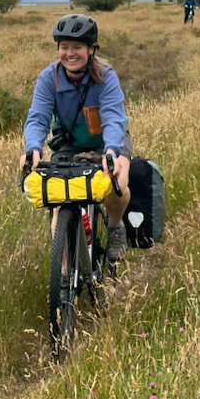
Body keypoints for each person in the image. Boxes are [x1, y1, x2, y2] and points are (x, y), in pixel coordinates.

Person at [21, 14, 132, 261]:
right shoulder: (48, 78)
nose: (70, 53)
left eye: (77, 47)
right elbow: (38, 118)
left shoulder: (105, 76)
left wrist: (112, 151)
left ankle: (116, 226)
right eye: (64, 47)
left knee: (118, 182)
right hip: (70, 143)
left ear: (91, 49)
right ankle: (63, 275)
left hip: (107, 142)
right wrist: (33, 148)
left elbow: (114, 118)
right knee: (59, 202)